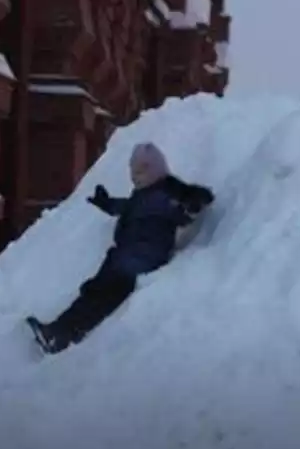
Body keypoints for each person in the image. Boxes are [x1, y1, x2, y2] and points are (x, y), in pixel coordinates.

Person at [26, 142, 215, 354]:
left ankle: (62, 335)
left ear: (154, 170)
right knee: (93, 291)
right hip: (124, 258)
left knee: (101, 295)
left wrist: (193, 204)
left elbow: (185, 206)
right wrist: (107, 204)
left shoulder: (166, 195)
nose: (134, 177)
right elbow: (128, 207)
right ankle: (58, 331)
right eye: (132, 171)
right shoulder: (146, 193)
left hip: (141, 261)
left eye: (140, 172)